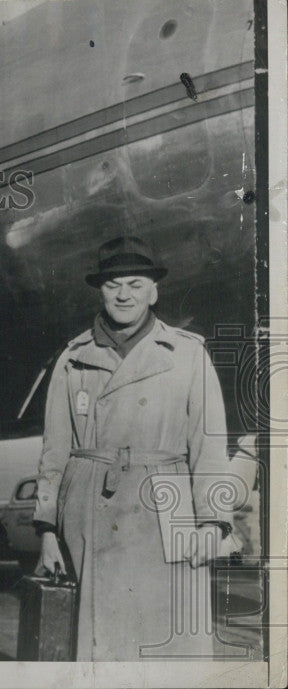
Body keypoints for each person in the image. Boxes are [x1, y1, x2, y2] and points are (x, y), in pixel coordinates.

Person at [34, 235, 238, 661]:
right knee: (98, 642)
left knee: (166, 640)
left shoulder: (186, 353)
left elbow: (209, 444)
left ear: (154, 291)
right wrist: (47, 530)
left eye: (135, 284)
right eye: (113, 285)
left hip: (166, 507)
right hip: (90, 509)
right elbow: (54, 451)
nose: (123, 295)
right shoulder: (73, 358)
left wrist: (213, 522)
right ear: (100, 290)